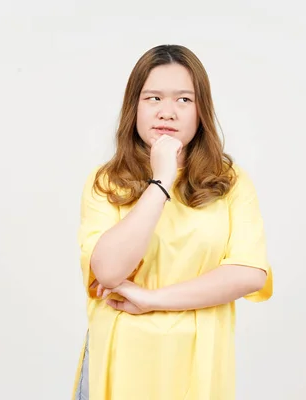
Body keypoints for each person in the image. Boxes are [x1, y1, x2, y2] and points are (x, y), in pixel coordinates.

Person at [71, 44, 274, 400]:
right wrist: (161, 180)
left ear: (201, 111)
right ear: (134, 107)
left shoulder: (230, 182)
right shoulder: (107, 181)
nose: (167, 112)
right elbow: (108, 271)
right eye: (153, 98)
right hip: (120, 367)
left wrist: (152, 300)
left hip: (198, 369)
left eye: (184, 100)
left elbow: (248, 272)